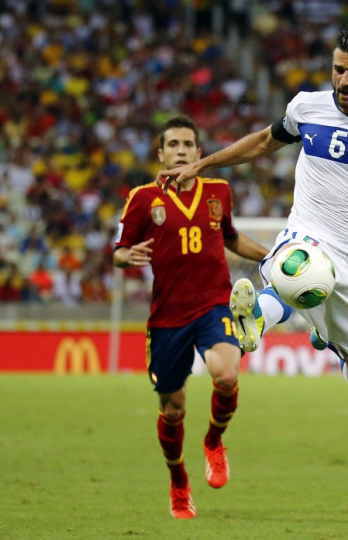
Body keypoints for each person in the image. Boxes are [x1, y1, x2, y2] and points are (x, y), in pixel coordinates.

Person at [158, 25, 348, 407]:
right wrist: (201, 165)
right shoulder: (306, 107)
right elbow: (264, 142)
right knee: (299, 271)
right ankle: (256, 316)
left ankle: (328, 335)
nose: (344, 80)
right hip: (308, 235)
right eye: (338, 69)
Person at [113, 114, 268, 519]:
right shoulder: (143, 198)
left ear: (199, 153)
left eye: (188, 145)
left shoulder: (219, 190)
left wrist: (272, 258)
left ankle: (214, 442)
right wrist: (126, 256)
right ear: (160, 153)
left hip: (215, 305)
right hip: (167, 319)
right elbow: (119, 250)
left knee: (227, 375)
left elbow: (231, 239)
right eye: (173, 145)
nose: (181, 151)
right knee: (173, 409)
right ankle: (178, 480)